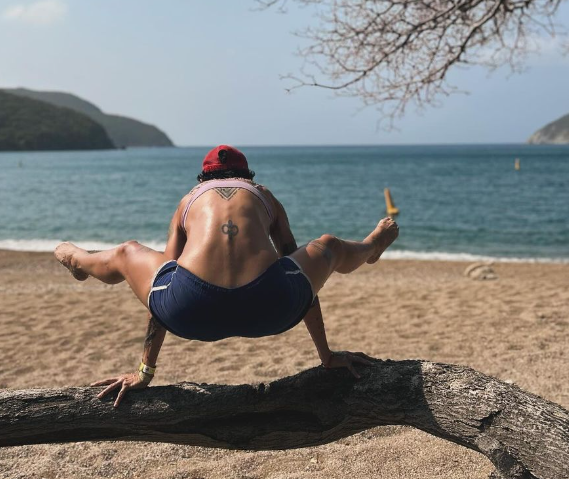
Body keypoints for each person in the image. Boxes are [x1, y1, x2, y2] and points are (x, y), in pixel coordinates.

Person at [55, 145, 399, 407]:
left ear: (203, 179)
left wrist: (144, 372)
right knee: (328, 246)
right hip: (271, 308)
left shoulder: (189, 200)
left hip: (190, 312)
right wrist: (326, 355)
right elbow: (300, 278)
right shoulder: (264, 195)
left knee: (127, 252)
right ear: (247, 176)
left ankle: (79, 261)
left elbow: (164, 279)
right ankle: (369, 249)